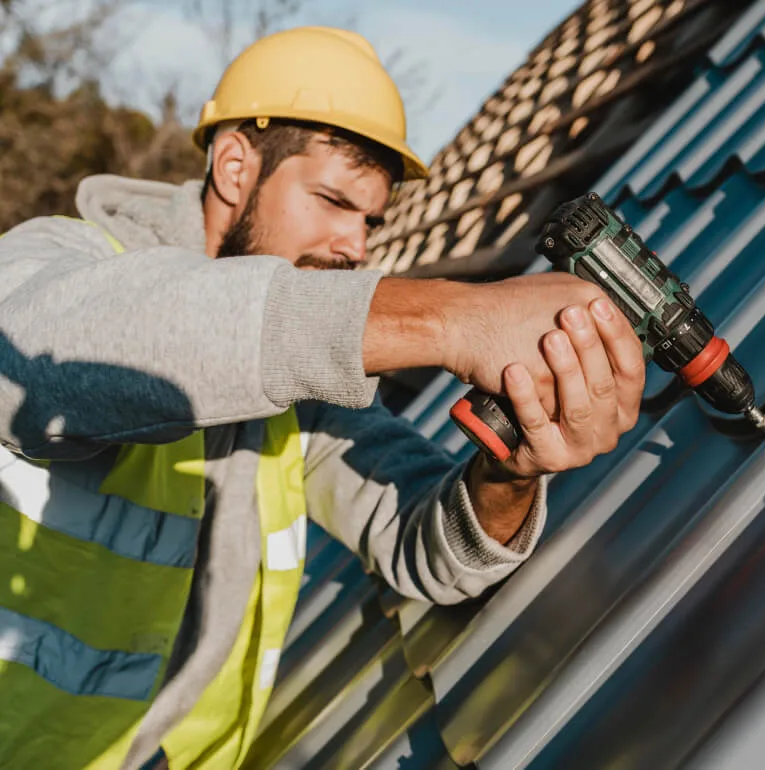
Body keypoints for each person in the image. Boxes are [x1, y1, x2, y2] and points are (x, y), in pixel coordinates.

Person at [0, 26, 645, 770]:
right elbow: (52, 359)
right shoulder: (57, 261)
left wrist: (512, 468)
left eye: (369, 219)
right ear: (235, 166)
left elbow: (430, 552)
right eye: (333, 201)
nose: (355, 247)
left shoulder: (299, 396)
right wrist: (451, 317)